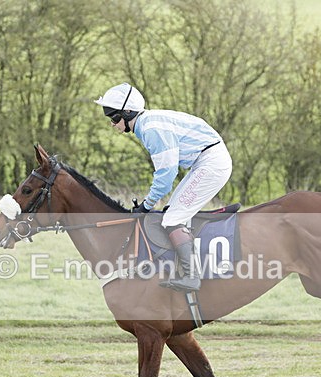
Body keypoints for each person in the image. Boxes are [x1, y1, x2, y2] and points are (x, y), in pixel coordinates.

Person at [94, 83, 233, 292]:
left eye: (114, 118)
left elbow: (166, 175)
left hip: (212, 162)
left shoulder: (151, 130)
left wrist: (146, 205)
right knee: (171, 213)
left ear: (128, 113)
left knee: (172, 219)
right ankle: (184, 266)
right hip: (206, 160)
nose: (112, 125)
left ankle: (191, 277)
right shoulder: (146, 123)